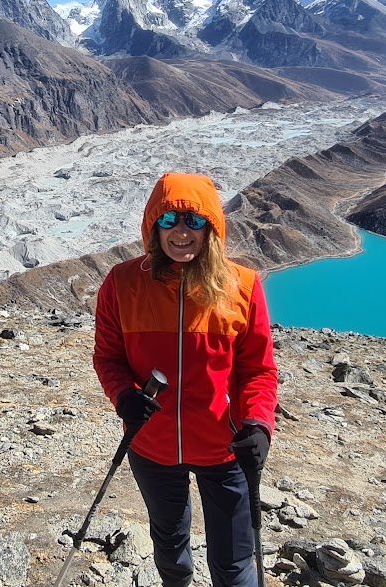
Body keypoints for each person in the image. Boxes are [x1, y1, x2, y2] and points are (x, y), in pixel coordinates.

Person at [92, 172, 279, 587]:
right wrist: (123, 395)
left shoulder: (242, 286)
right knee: (171, 552)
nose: (181, 232)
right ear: (152, 225)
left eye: (194, 222)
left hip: (226, 448)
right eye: (169, 221)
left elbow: (258, 370)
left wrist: (259, 424)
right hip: (151, 446)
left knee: (234, 566)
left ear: (211, 227)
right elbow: (108, 357)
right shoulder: (122, 283)